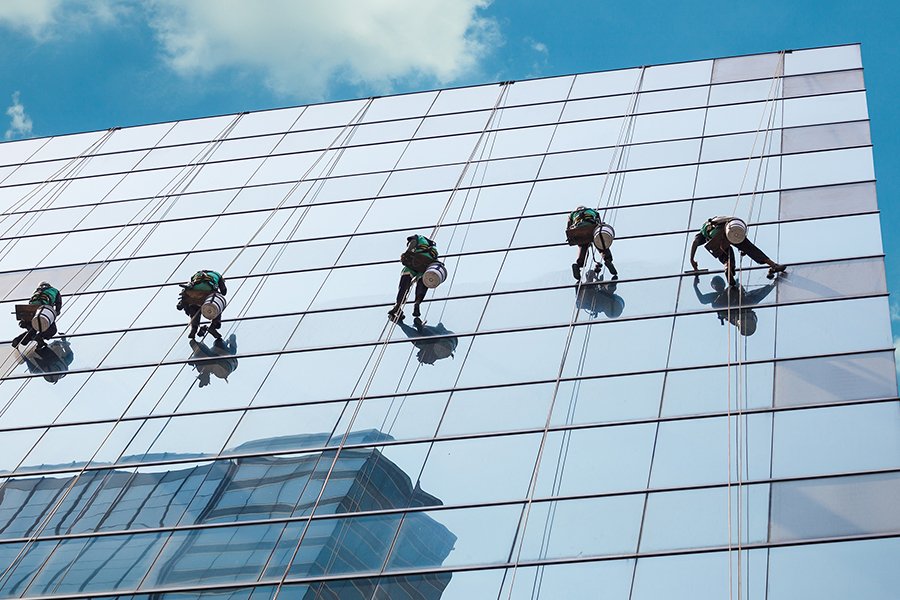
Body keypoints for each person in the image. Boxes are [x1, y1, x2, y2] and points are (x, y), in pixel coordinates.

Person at [689, 216, 785, 286]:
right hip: (731, 229)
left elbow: (695, 241)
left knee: (727, 255)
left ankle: (728, 268)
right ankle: (773, 265)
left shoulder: (703, 231)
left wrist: (692, 259)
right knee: (750, 248)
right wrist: (743, 249)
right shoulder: (718, 220)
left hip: (718, 236)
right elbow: (744, 245)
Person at [693, 275, 775, 336]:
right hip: (731, 311)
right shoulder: (715, 297)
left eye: (718, 283)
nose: (717, 285)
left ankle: (772, 285)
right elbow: (702, 299)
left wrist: (738, 288)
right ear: (714, 286)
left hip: (738, 308)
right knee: (744, 296)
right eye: (715, 284)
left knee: (749, 297)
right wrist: (695, 286)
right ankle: (743, 321)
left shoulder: (731, 292)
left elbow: (753, 295)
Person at [388, 234, 438, 322]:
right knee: (422, 281)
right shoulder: (434, 248)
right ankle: (417, 303)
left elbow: (413, 242)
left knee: (405, 280)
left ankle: (398, 305)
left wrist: (407, 253)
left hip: (415, 260)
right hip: (426, 264)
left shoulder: (419, 237)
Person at [566, 206, 617, 281]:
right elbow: (598, 219)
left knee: (583, 247)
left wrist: (569, 234)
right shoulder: (591, 210)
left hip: (579, 230)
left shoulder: (573, 214)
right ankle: (608, 260)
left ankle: (578, 265)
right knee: (601, 245)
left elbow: (569, 224)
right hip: (592, 227)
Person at [177, 270, 227, 339]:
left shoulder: (196, 274)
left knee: (194, 308)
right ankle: (213, 326)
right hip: (207, 293)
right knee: (217, 305)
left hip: (192, 294)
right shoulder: (217, 275)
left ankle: (194, 329)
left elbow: (191, 283)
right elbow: (223, 291)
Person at [12, 282, 63, 348]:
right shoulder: (54, 291)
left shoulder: (37, 291)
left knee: (33, 329)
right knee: (52, 330)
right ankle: (39, 337)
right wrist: (56, 312)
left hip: (30, 312)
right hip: (43, 310)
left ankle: (18, 340)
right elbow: (58, 303)